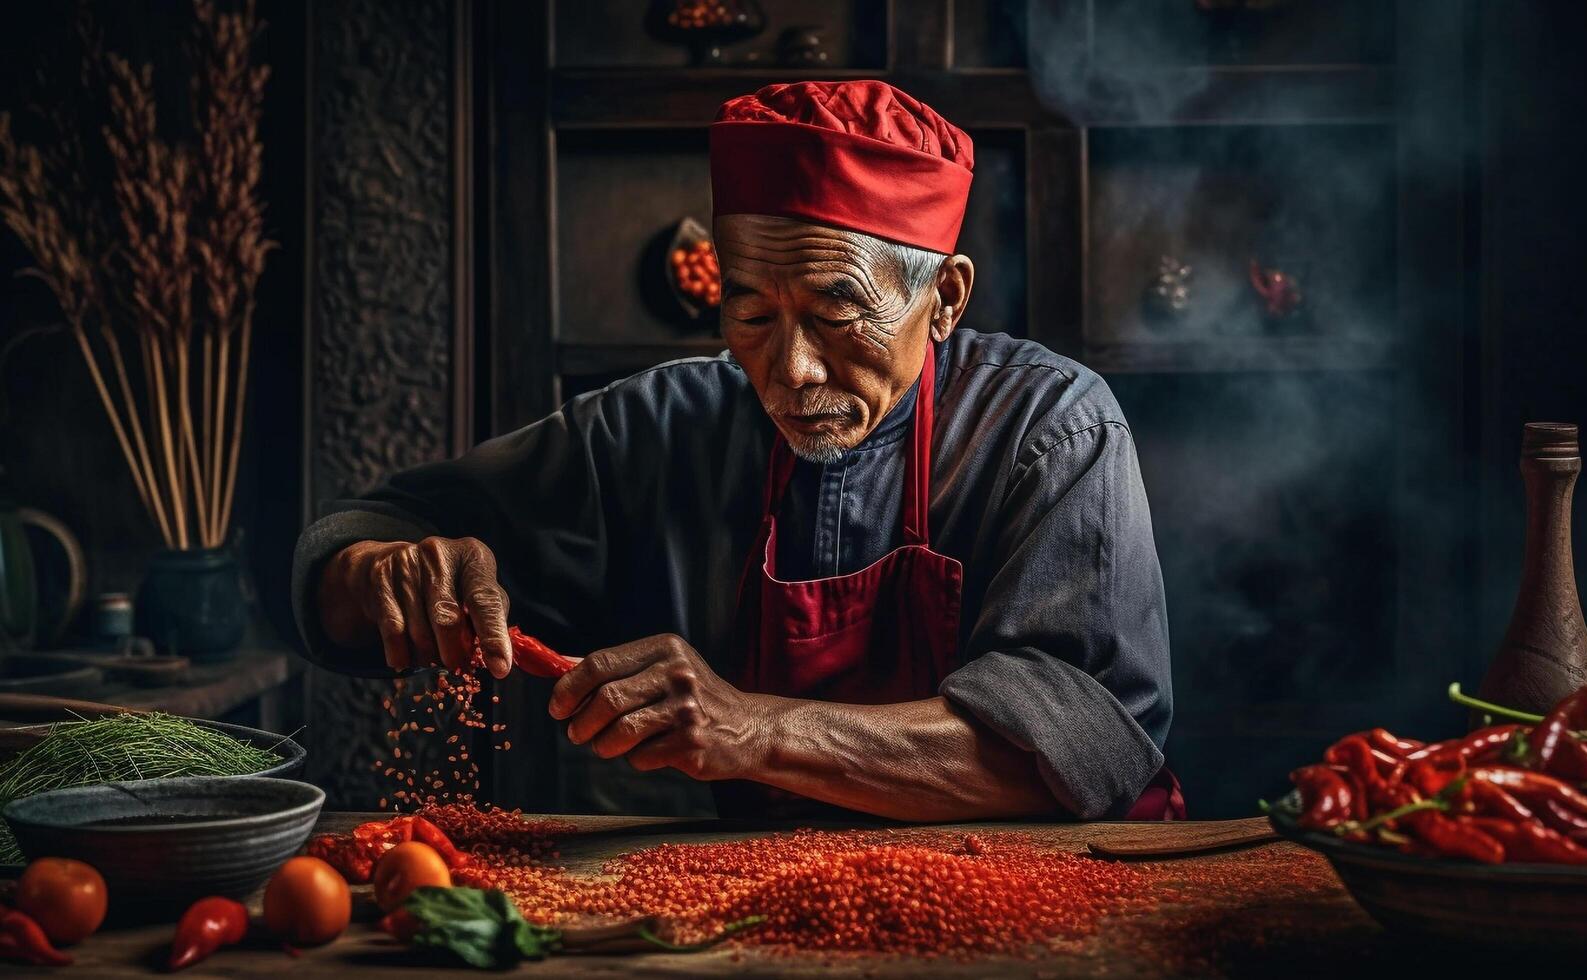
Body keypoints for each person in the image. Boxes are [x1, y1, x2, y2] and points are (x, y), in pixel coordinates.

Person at [294, 80, 1177, 821]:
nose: (789, 370)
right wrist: (377, 570)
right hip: (769, 897)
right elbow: (356, 547)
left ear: (943, 297)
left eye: (836, 316)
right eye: (751, 314)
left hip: (1050, 886)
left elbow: (1082, 746)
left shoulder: (1050, 431)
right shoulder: (660, 430)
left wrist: (751, 729)